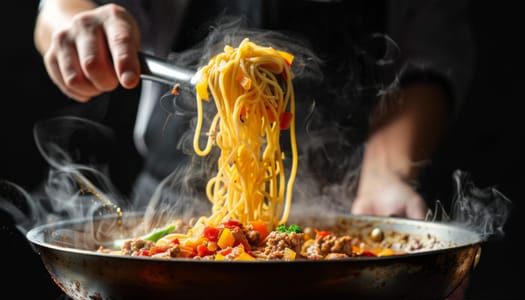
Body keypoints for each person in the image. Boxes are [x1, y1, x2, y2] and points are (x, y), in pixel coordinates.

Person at [33, 0, 474, 220]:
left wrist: (386, 176)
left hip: (347, 203)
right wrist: (73, 27)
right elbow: (60, 6)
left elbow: (429, 54)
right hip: (168, 211)